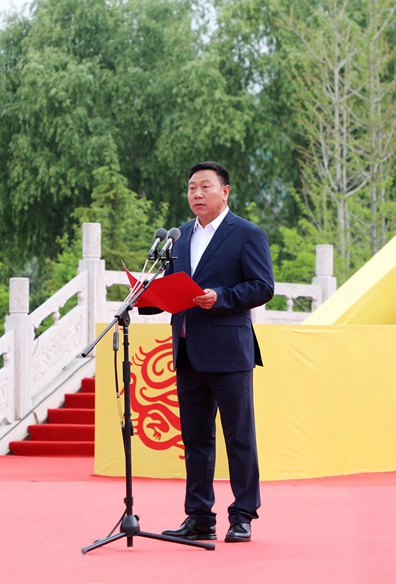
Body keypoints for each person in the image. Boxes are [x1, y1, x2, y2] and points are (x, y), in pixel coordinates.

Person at [157, 161, 274, 543]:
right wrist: (148, 296)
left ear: (225, 192)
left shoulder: (247, 234)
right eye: (192, 187)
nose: (197, 194)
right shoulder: (179, 237)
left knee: (239, 438)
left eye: (205, 187)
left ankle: (242, 515)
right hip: (187, 350)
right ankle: (198, 516)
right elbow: (173, 287)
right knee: (196, 440)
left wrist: (221, 297)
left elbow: (263, 286)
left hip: (229, 353)